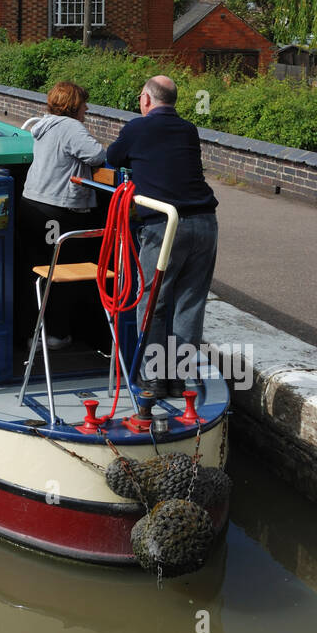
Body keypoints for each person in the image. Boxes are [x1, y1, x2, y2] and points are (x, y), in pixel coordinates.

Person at [104, 75, 218, 397]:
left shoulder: (136, 128)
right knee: (190, 303)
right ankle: (178, 379)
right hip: (205, 222)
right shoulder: (189, 129)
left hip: (166, 226)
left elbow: (113, 158)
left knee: (153, 301)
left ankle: (153, 379)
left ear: (145, 99)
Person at [18, 81, 106, 349]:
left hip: (31, 204)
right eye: (83, 104)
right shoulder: (70, 127)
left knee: (38, 270)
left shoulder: (43, 126)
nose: (87, 108)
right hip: (57, 209)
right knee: (63, 272)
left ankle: (32, 331)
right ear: (74, 105)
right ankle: (55, 334)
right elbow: (97, 155)